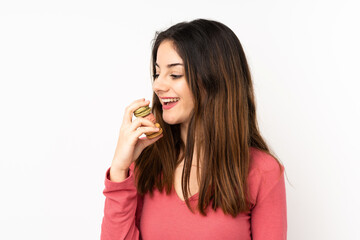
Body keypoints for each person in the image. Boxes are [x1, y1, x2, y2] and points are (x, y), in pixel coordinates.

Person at [101, 19, 287, 240]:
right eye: (157, 73)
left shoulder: (262, 172)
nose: (157, 85)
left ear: (214, 80)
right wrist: (120, 170)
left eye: (175, 74)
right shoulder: (145, 165)